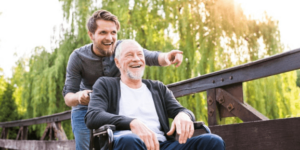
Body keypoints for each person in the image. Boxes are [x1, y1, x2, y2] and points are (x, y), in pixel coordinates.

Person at [62, 10, 184, 149]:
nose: (110, 38)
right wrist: (79, 97)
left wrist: (167, 57)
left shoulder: (123, 49)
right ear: (91, 35)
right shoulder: (78, 57)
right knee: (85, 147)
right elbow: (68, 97)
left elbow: (150, 56)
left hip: (114, 107)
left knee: (122, 141)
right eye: (103, 33)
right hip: (86, 109)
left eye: (113, 32)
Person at [85, 40, 225, 150]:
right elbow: (93, 116)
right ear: (117, 62)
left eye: (140, 55)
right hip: (127, 144)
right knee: (130, 140)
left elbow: (181, 110)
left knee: (212, 141)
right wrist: (132, 123)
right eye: (129, 55)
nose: (136, 59)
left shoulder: (157, 87)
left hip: (162, 146)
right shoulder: (105, 84)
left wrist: (184, 115)